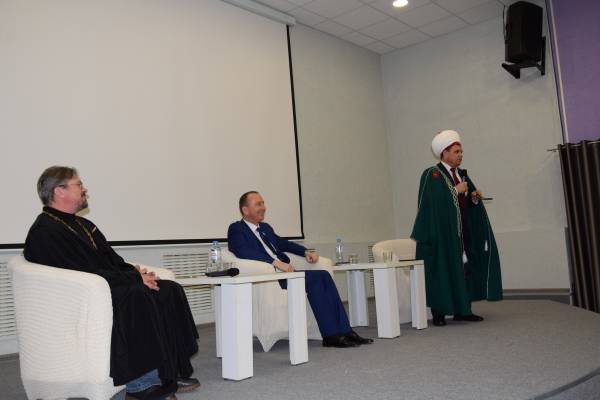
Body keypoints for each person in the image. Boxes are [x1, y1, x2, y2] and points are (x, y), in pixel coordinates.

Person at [24, 166, 201, 400]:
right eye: (79, 184)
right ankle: (141, 385)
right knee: (136, 295)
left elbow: (111, 261)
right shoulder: (45, 230)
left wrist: (135, 272)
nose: (84, 189)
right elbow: (79, 274)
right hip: (80, 299)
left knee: (168, 289)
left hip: (101, 285)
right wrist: (133, 280)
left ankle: (168, 372)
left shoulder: (83, 225)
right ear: (59, 191)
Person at [227, 191, 372, 348]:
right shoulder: (237, 229)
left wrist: (305, 252)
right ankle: (330, 335)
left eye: (263, 203)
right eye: (258, 204)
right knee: (316, 279)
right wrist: (275, 262)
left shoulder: (265, 228)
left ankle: (346, 331)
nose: (263, 207)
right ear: (245, 210)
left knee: (324, 275)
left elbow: (284, 244)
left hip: (286, 274)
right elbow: (243, 251)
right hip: (271, 277)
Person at [410, 130, 502, 327]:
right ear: (444, 153)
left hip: (462, 233)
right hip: (441, 235)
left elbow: (464, 205)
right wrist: (454, 190)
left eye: (461, 151)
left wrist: (473, 198)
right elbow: (430, 204)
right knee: (441, 270)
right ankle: (439, 313)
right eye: (456, 151)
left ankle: (463, 310)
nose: (461, 155)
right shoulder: (432, 174)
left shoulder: (461, 175)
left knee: (464, 270)